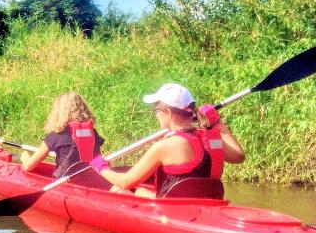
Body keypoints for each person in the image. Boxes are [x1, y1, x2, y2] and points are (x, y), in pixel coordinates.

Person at [88, 83, 245, 198]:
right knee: (140, 188)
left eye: (156, 110)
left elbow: (125, 181)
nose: (155, 114)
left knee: (117, 189)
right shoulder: (209, 139)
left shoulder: (164, 147)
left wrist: (101, 167)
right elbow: (238, 157)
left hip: (173, 210)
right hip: (206, 203)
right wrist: (217, 123)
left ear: (168, 113)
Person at [20, 92, 105, 178]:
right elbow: (98, 159)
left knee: (26, 158)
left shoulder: (55, 136)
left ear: (58, 113)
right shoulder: (92, 133)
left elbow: (28, 166)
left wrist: (25, 157)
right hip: (91, 180)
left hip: (65, 183)